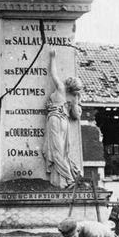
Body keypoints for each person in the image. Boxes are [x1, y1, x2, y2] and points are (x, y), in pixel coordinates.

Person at [41, 50, 83, 188]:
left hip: (55, 119)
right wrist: (76, 102)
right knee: (62, 151)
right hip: (64, 122)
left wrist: (53, 58)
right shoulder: (72, 98)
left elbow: (53, 74)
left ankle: (69, 179)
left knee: (56, 150)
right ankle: (65, 178)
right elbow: (76, 116)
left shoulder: (60, 88)